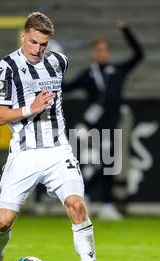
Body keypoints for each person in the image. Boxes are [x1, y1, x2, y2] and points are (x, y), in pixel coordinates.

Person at [0, 12, 111, 261]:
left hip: (58, 150)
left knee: (77, 206)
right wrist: (31, 108)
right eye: (33, 42)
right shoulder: (6, 67)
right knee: (3, 220)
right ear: (23, 36)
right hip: (24, 154)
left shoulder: (59, 62)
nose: (37, 49)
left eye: (43, 45)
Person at [63, 20, 144, 220]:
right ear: (93, 53)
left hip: (113, 126)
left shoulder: (116, 71)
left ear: (109, 52)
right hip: (94, 129)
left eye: (105, 50)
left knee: (109, 165)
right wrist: (52, 68)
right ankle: (89, 197)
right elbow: (66, 87)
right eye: (98, 50)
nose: (102, 53)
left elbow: (138, 54)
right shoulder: (88, 74)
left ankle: (102, 202)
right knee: (105, 164)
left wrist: (126, 31)